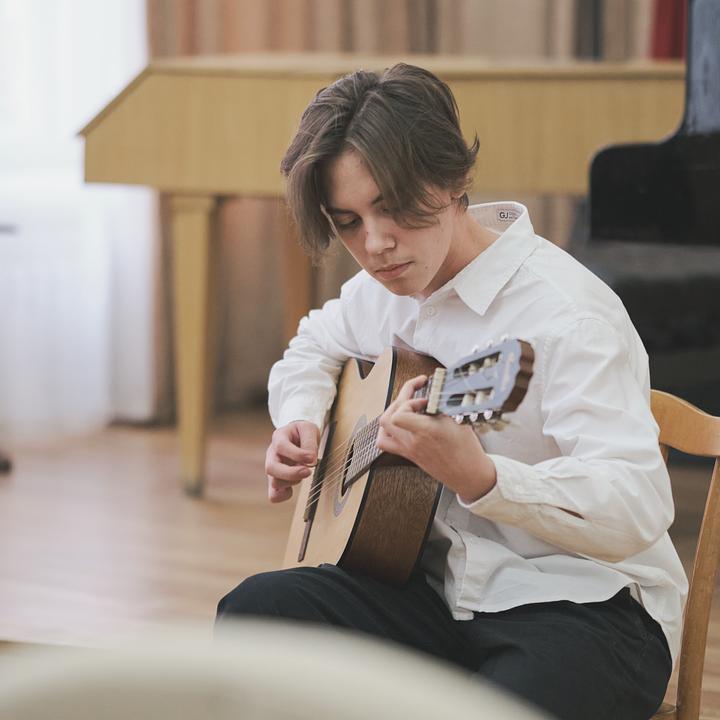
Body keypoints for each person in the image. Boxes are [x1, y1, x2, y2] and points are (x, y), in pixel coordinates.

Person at [216, 63, 687, 720]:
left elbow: (638, 503)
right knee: (254, 613)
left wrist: (486, 478)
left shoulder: (567, 316)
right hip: (434, 593)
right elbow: (313, 345)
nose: (375, 245)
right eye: (348, 221)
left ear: (452, 178)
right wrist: (301, 420)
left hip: (586, 606)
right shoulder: (380, 295)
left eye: (392, 207)